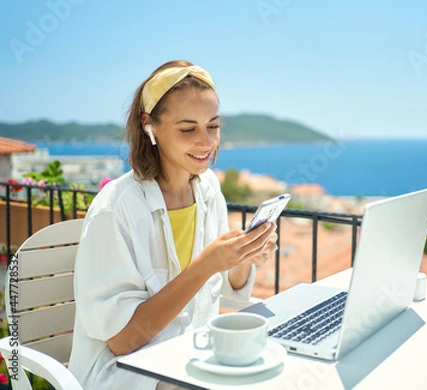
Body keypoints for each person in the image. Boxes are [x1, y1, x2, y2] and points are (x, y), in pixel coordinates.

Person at [69, 60, 278, 389]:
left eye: (213, 126)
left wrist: (243, 256)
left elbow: (227, 292)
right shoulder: (116, 209)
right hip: (126, 376)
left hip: (187, 361)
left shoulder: (208, 190)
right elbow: (123, 341)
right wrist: (205, 266)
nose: (205, 142)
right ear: (149, 125)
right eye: (187, 129)